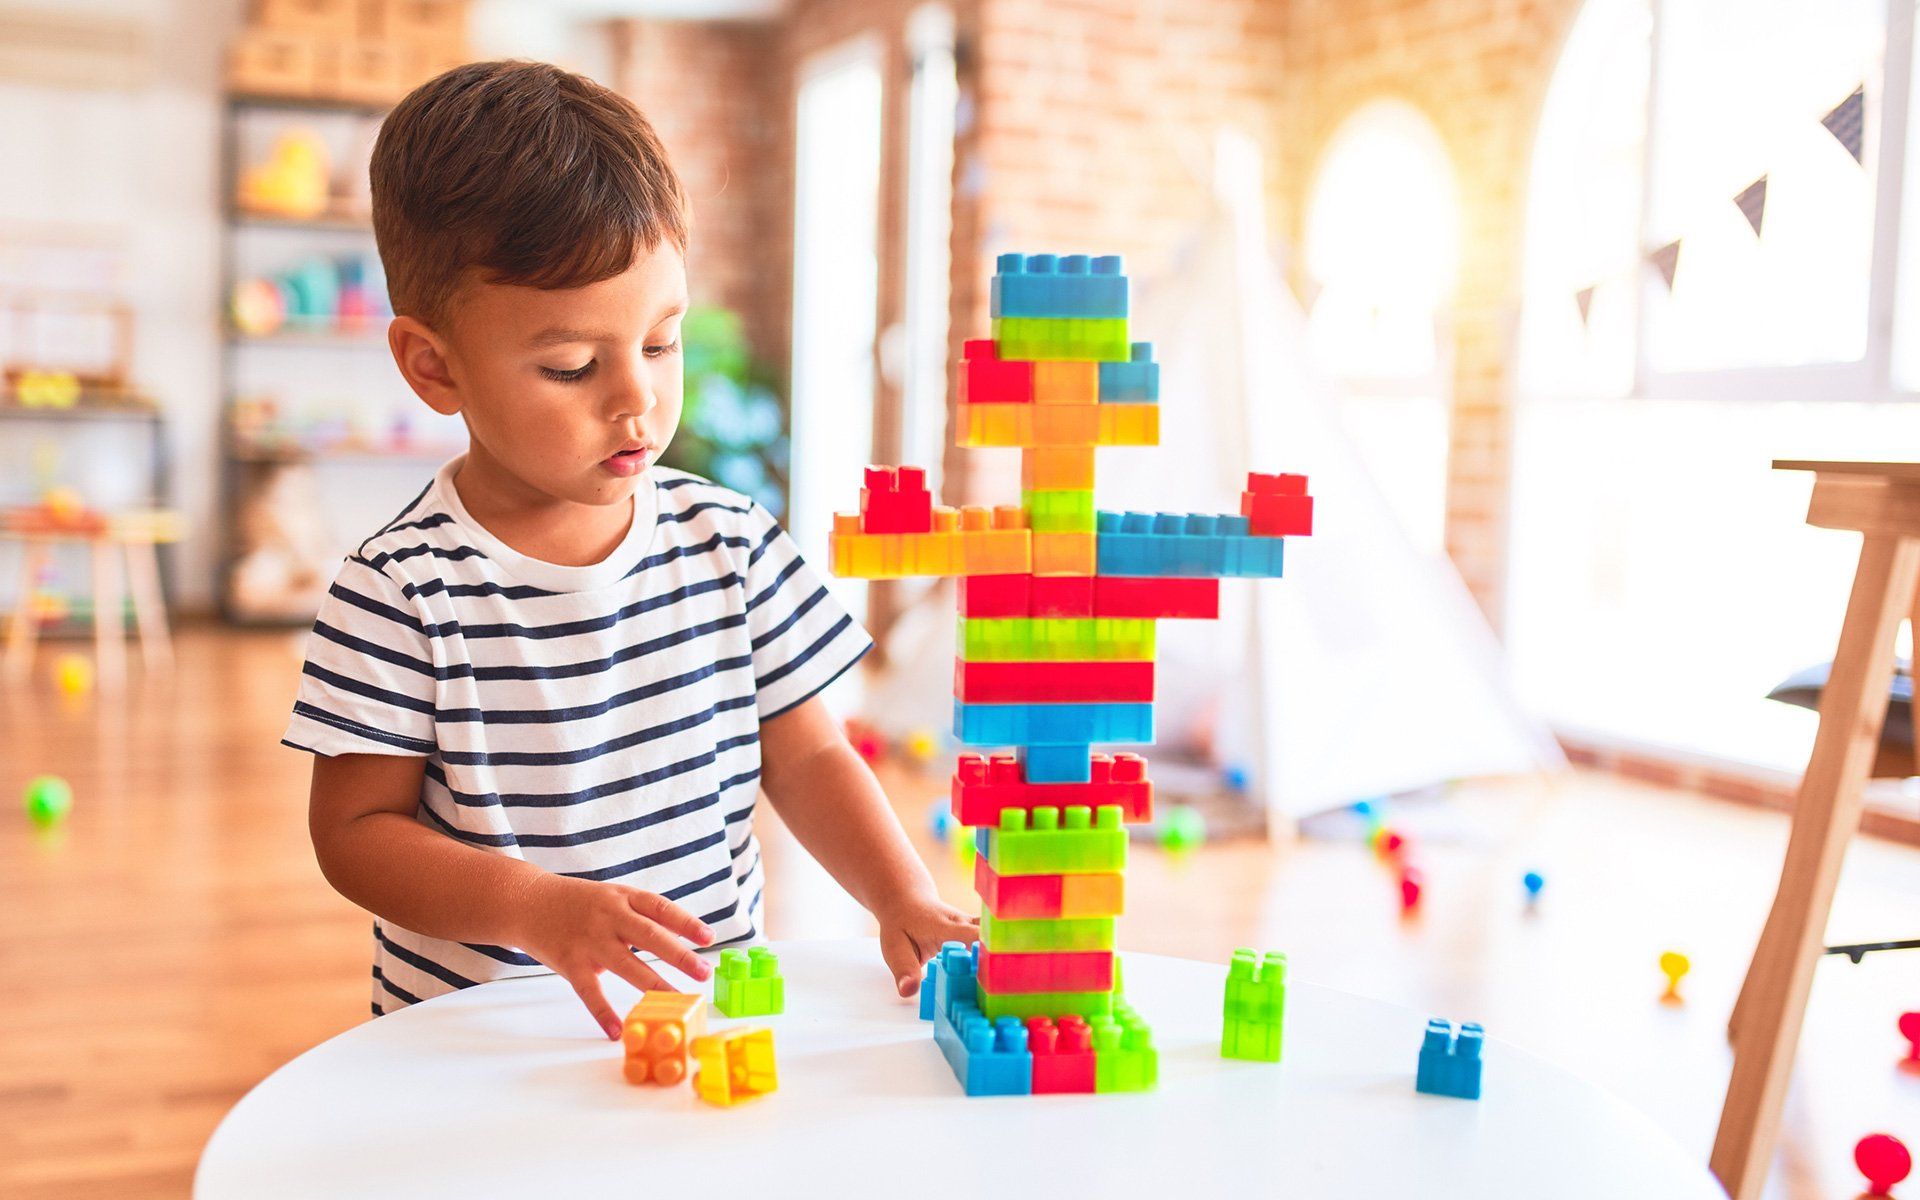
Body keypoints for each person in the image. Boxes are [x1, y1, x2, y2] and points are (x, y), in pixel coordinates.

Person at [285, 60, 974, 1038]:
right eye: (572, 365)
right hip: (478, 1041)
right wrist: (533, 906)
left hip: (700, 1018)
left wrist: (900, 893)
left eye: (661, 342)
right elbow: (354, 836)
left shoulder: (730, 543)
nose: (636, 399)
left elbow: (811, 753)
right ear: (433, 366)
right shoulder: (401, 590)